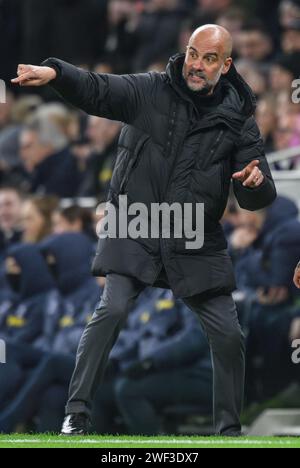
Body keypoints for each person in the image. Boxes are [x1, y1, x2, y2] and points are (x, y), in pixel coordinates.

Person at [13, 24, 277, 436]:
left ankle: (229, 431)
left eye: (209, 59)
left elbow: (259, 193)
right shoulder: (149, 89)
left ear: (225, 65)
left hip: (194, 233)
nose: (197, 65)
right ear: (185, 52)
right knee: (112, 309)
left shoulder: (239, 120)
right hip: (134, 222)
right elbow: (99, 88)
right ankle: (76, 414)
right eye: (193, 54)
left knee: (228, 334)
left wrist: (253, 183)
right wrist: (57, 74)